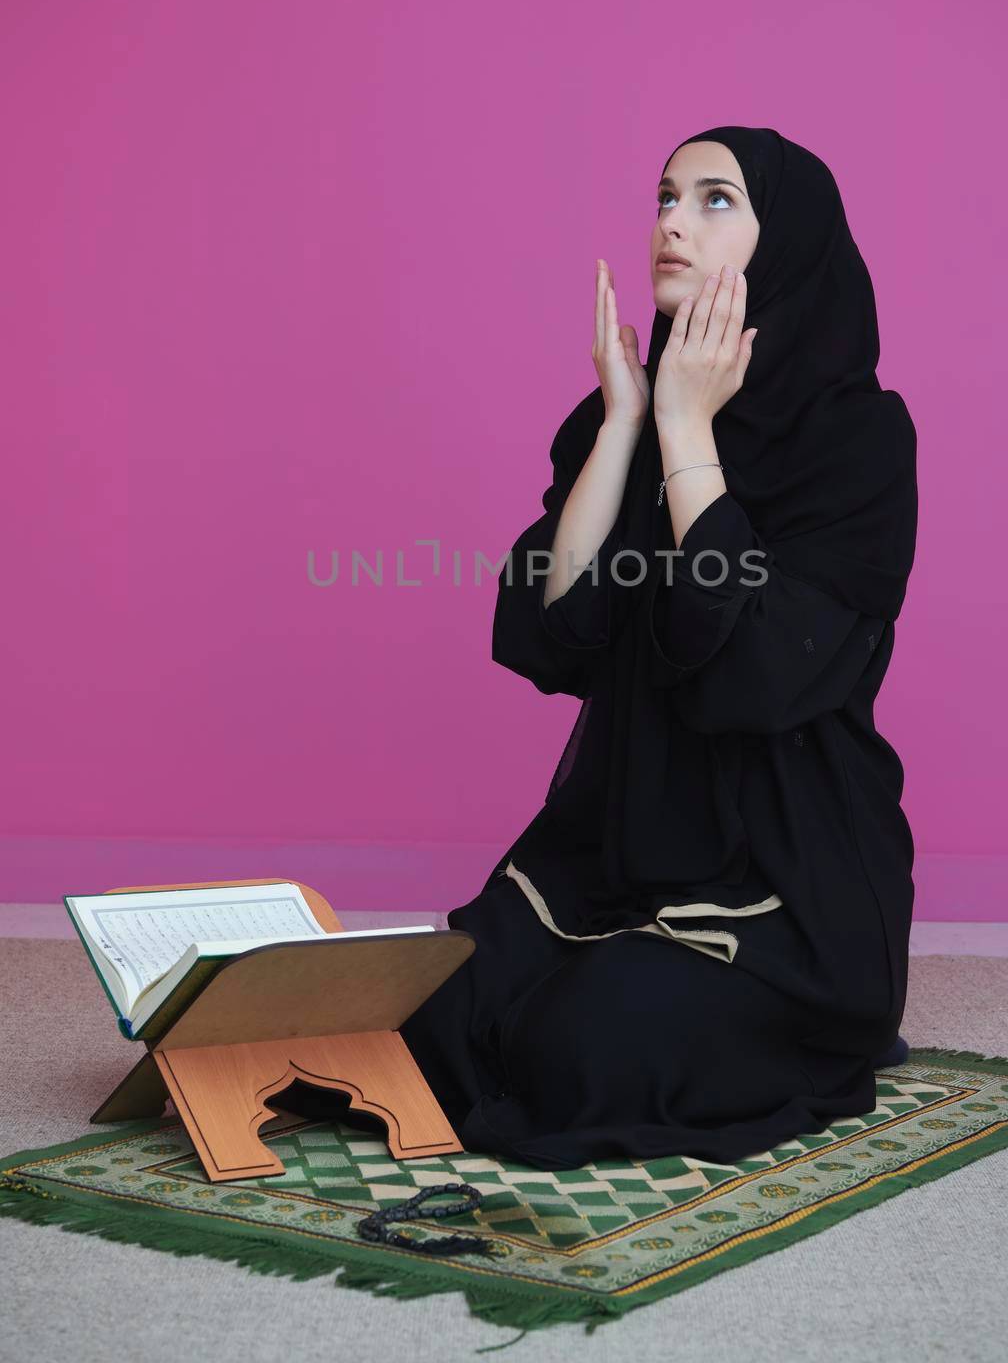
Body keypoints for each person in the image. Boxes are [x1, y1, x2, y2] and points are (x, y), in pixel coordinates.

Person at [288, 126, 920, 1170]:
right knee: (427, 1023)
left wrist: (686, 429)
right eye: (665, 195)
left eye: (714, 200)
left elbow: (756, 669)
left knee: (580, 1048)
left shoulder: (855, 440)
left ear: (787, 243)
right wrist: (627, 419)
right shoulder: (610, 422)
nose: (670, 219)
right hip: (614, 848)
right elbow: (550, 629)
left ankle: (818, 1024)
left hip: (784, 878)